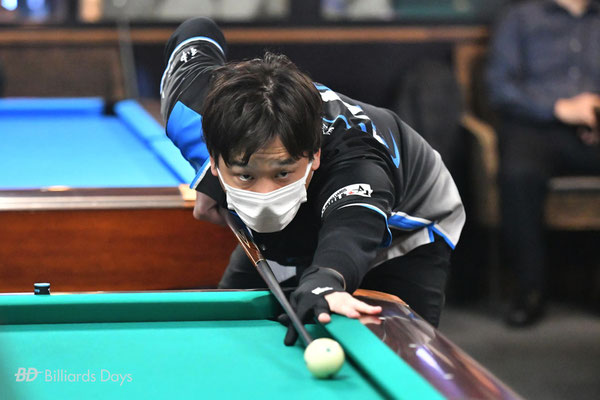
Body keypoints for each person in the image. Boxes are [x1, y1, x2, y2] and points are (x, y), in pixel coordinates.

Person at [160, 17, 465, 343]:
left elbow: (353, 227)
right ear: (214, 159)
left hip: (408, 226)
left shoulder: (357, 160)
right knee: (228, 333)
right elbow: (196, 28)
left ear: (314, 154)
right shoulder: (190, 110)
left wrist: (325, 281)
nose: (265, 196)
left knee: (389, 346)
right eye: (246, 175)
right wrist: (214, 184)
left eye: (282, 173)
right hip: (297, 198)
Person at [486, 0, 600, 327]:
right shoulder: (521, 17)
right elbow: (500, 88)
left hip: (593, 128)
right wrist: (558, 108)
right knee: (518, 174)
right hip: (535, 127)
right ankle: (529, 291)